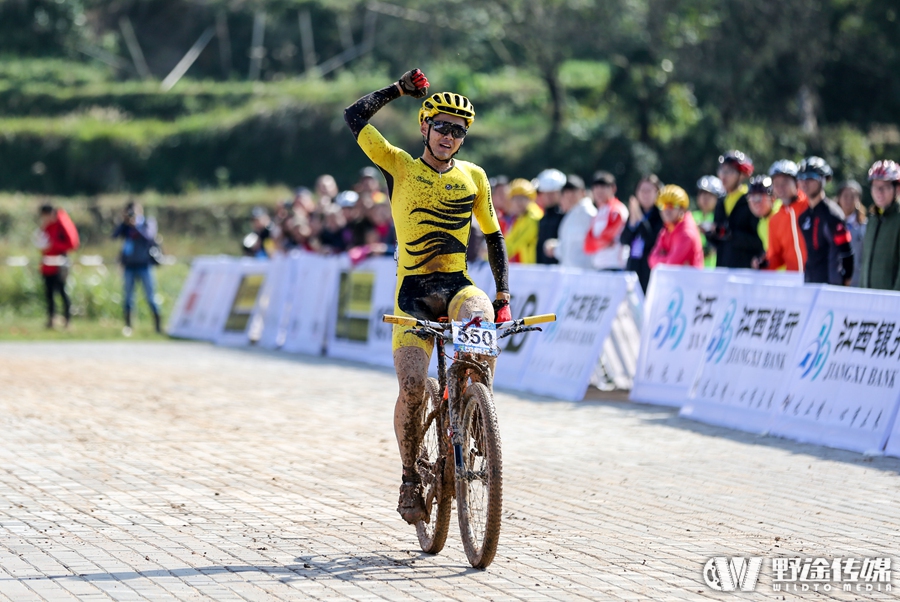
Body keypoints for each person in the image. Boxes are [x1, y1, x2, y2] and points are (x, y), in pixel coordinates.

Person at [344, 69, 510, 525]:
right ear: (425, 127)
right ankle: (409, 479)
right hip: (413, 294)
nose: (449, 136)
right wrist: (397, 90)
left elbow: (494, 238)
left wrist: (503, 295)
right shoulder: (398, 165)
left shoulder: (474, 177)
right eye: (442, 126)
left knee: (480, 321)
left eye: (459, 131)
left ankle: (476, 410)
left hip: (457, 285)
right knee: (414, 388)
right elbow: (353, 116)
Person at [797, 157, 854, 285]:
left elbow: (847, 252)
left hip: (830, 285)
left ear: (823, 179)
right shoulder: (803, 217)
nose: (805, 182)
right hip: (810, 281)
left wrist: (845, 281)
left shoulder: (833, 215)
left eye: (811, 177)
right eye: (801, 177)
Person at [112, 202, 162, 335]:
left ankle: (158, 327)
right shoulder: (125, 226)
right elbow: (114, 236)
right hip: (129, 266)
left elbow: (149, 237)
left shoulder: (147, 223)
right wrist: (124, 222)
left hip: (145, 265)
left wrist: (136, 226)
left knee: (151, 297)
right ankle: (128, 326)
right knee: (128, 297)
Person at [709, 150, 760, 268]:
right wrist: (711, 234)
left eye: (729, 171)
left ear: (742, 175)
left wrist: (730, 234)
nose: (723, 175)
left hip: (744, 273)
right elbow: (719, 243)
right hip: (722, 270)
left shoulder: (750, 200)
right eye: (721, 170)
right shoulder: (721, 202)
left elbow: (758, 242)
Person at [36, 204, 79, 329]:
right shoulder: (46, 226)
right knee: (49, 293)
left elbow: (72, 244)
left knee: (62, 291)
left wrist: (53, 245)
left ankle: (67, 320)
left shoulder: (62, 223)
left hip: (60, 262)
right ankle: (51, 319)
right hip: (47, 263)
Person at [860, 160, 900, 290]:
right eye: (875, 186)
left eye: (885, 187)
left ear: (897, 189)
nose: (879, 192)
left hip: (891, 300)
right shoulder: (872, 218)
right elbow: (865, 260)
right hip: (868, 298)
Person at [543, 173, 597, 269]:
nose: (569, 196)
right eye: (566, 193)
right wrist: (556, 248)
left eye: (573, 192)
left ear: (582, 192)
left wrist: (555, 249)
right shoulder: (571, 214)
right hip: (571, 272)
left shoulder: (589, 214)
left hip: (584, 271)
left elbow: (578, 246)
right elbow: (570, 246)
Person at [620, 174, 664, 292]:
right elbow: (623, 240)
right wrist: (632, 224)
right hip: (633, 265)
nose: (645, 194)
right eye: (642, 190)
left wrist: (640, 218)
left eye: (649, 191)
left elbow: (651, 239)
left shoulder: (661, 215)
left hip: (649, 269)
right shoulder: (635, 212)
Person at [765, 160, 808, 273]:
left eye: (785, 182)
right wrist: (764, 263)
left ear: (796, 183)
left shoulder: (809, 205)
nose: (780, 187)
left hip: (816, 277)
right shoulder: (774, 220)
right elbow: (776, 256)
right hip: (792, 280)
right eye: (776, 183)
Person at [648, 185, 704, 269]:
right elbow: (651, 260)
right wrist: (667, 258)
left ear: (682, 209)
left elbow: (671, 265)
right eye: (662, 206)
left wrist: (663, 257)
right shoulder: (667, 228)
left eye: (671, 206)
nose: (666, 210)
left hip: (690, 281)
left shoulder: (687, 232)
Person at [583, 171, 628, 270]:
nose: (599, 190)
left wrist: (597, 243)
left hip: (615, 266)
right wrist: (601, 244)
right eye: (596, 187)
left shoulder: (617, 210)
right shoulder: (598, 213)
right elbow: (586, 245)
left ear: (613, 188)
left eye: (603, 187)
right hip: (599, 266)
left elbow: (606, 238)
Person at [503, 178, 543, 263]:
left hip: (535, 269)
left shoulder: (533, 217)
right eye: (515, 198)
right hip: (529, 268)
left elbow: (514, 243)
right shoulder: (522, 217)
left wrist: (489, 258)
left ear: (530, 199)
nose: (518, 202)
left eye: (523, 198)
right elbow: (510, 239)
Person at [835, 180, 867, 286]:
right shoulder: (831, 224)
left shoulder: (864, 226)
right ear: (839, 198)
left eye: (853, 196)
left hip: (856, 281)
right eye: (845, 196)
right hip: (835, 279)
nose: (848, 200)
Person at [746, 175, 780, 269]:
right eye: (751, 198)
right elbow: (773, 253)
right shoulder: (761, 224)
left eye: (759, 197)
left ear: (773, 198)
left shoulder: (781, 214)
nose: (755, 203)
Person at [534, 168, 567, 264]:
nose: (549, 196)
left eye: (552, 193)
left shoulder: (565, 217)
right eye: (545, 193)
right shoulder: (541, 219)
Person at [693, 176, 724, 268]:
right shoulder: (691, 217)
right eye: (702, 193)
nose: (705, 198)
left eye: (710, 195)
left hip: (714, 269)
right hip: (693, 269)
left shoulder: (721, 218)